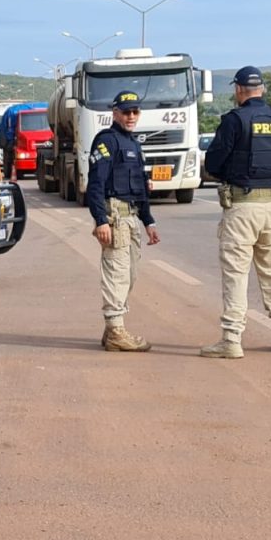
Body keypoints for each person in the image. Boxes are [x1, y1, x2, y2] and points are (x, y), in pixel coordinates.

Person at [200, 66, 271, 359]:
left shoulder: (234, 120)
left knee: (236, 273)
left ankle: (231, 340)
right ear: (262, 89)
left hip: (243, 206)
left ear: (239, 90)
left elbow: (214, 163)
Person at [86, 90, 161, 352]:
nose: (131, 116)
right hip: (114, 217)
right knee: (117, 274)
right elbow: (94, 184)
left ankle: (112, 331)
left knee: (130, 275)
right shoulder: (106, 142)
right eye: (126, 112)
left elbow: (140, 188)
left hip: (131, 217)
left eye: (135, 112)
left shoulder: (134, 144)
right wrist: (100, 220)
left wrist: (148, 221)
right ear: (115, 113)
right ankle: (117, 330)